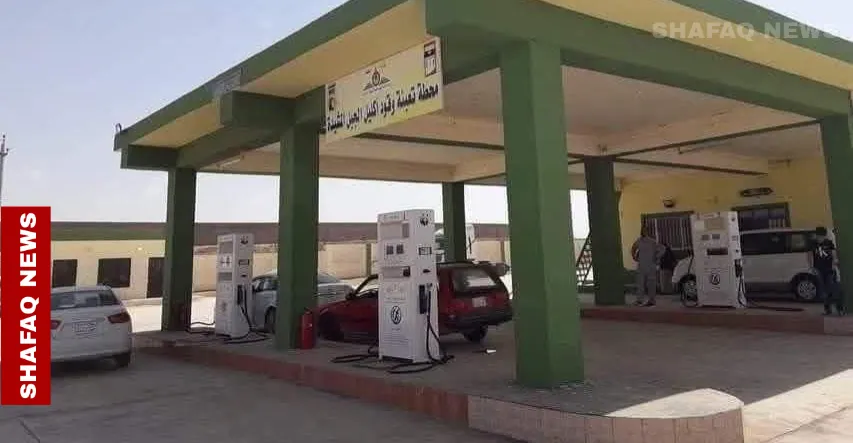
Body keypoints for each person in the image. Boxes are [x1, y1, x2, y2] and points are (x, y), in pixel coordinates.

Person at [810, 226, 844, 316]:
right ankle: (827, 309)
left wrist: (834, 264)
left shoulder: (829, 243)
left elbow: (834, 254)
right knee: (823, 290)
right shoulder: (813, 244)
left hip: (829, 269)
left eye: (821, 236)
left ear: (824, 236)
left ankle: (839, 308)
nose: (819, 238)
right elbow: (810, 255)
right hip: (819, 269)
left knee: (833, 289)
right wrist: (812, 267)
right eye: (818, 236)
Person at [631, 228, 665, 307]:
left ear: (647, 232)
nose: (643, 232)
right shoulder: (639, 241)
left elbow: (662, 249)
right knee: (640, 283)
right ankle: (640, 300)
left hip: (650, 265)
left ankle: (651, 300)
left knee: (650, 284)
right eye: (642, 231)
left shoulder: (652, 241)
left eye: (644, 231)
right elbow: (633, 248)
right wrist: (634, 256)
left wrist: (656, 257)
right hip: (642, 265)